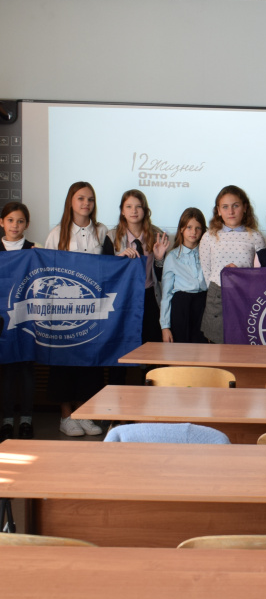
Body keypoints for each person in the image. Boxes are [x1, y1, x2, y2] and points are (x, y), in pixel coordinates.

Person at [44, 181, 111, 437]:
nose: (86, 203)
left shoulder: (102, 231)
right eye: (81, 198)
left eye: (90, 199)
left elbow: (110, 267)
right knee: (63, 363)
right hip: (63, 311)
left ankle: (84, 414)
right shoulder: (56, 233)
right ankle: (66, 416)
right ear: (71, 201)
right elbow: (46, 271)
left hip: (92, 309)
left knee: (90, 364)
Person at [199, 185, 265, 344]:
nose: (231, 211)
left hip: (245, 294)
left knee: (243, 341)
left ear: (245, 208)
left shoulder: (255, 236)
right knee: (217, 342)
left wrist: (240, 275)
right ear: (218, 210)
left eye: (236, 206)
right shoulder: (209, 236)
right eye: (225, 207)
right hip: (217, 294)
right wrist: (220, 285)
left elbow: (261, 272)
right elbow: (206, 270)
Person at [108, 189, 170, 345]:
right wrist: (119, 260)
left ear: (145, 210)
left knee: (151, 346)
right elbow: (106, 273)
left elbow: (163, 276)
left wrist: (159, 259)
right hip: (123, 298)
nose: (134, 211)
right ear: (122, 211)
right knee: (122, 346)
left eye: (138, 206)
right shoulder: (111, 237)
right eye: (129, 206)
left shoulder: (157, 235)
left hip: (149, 297)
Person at [0, 202, 35, 440]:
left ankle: (26, 419)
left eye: (20, 221)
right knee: (6, 371)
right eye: (10, 220)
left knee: (26, 369)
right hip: (2, 321)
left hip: (27, 319)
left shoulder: (35, 250)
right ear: (2, 222)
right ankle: (6, 420)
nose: (15, 225)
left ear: (27, 224)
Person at [160, 207, 208, 344]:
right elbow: (166, 294)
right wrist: (165, 327)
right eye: (189, 227)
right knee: (181, 349)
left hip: (203, 306)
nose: (193, 232)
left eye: (198, 228)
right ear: (181, 229)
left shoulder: (207, 254)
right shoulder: (172, 257)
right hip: (181, 307)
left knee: (202, 349)